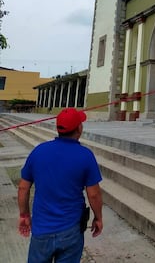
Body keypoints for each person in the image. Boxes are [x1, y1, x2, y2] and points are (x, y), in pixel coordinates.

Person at [18, 107, 103, 263]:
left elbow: (23, 187)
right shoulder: (85, 156)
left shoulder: (39, 152)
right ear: (79, 128)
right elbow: (94, 194)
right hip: (71, 230)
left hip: (41, 229)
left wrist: (24, 215)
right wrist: (98, 218)